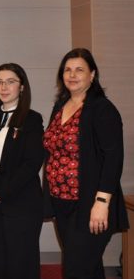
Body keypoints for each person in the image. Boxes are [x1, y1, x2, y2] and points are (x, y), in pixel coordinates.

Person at [43, 48, 129, 279]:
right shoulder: (59, 108)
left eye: (79, 70)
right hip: (62, 202)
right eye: (67, 70)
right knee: (88, 268)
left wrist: (101, 202)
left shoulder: (102, 109)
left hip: (91, 204)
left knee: (76, 269)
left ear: (92, 74)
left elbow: (113, 158)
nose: (72, 75)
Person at [0, 63, 44, 279]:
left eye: (11, 81)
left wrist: (2, 191)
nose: (4, 87)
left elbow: (32, 162)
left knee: (20, 262)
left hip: (20, 198)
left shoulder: (32, 119)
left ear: (22, 87)